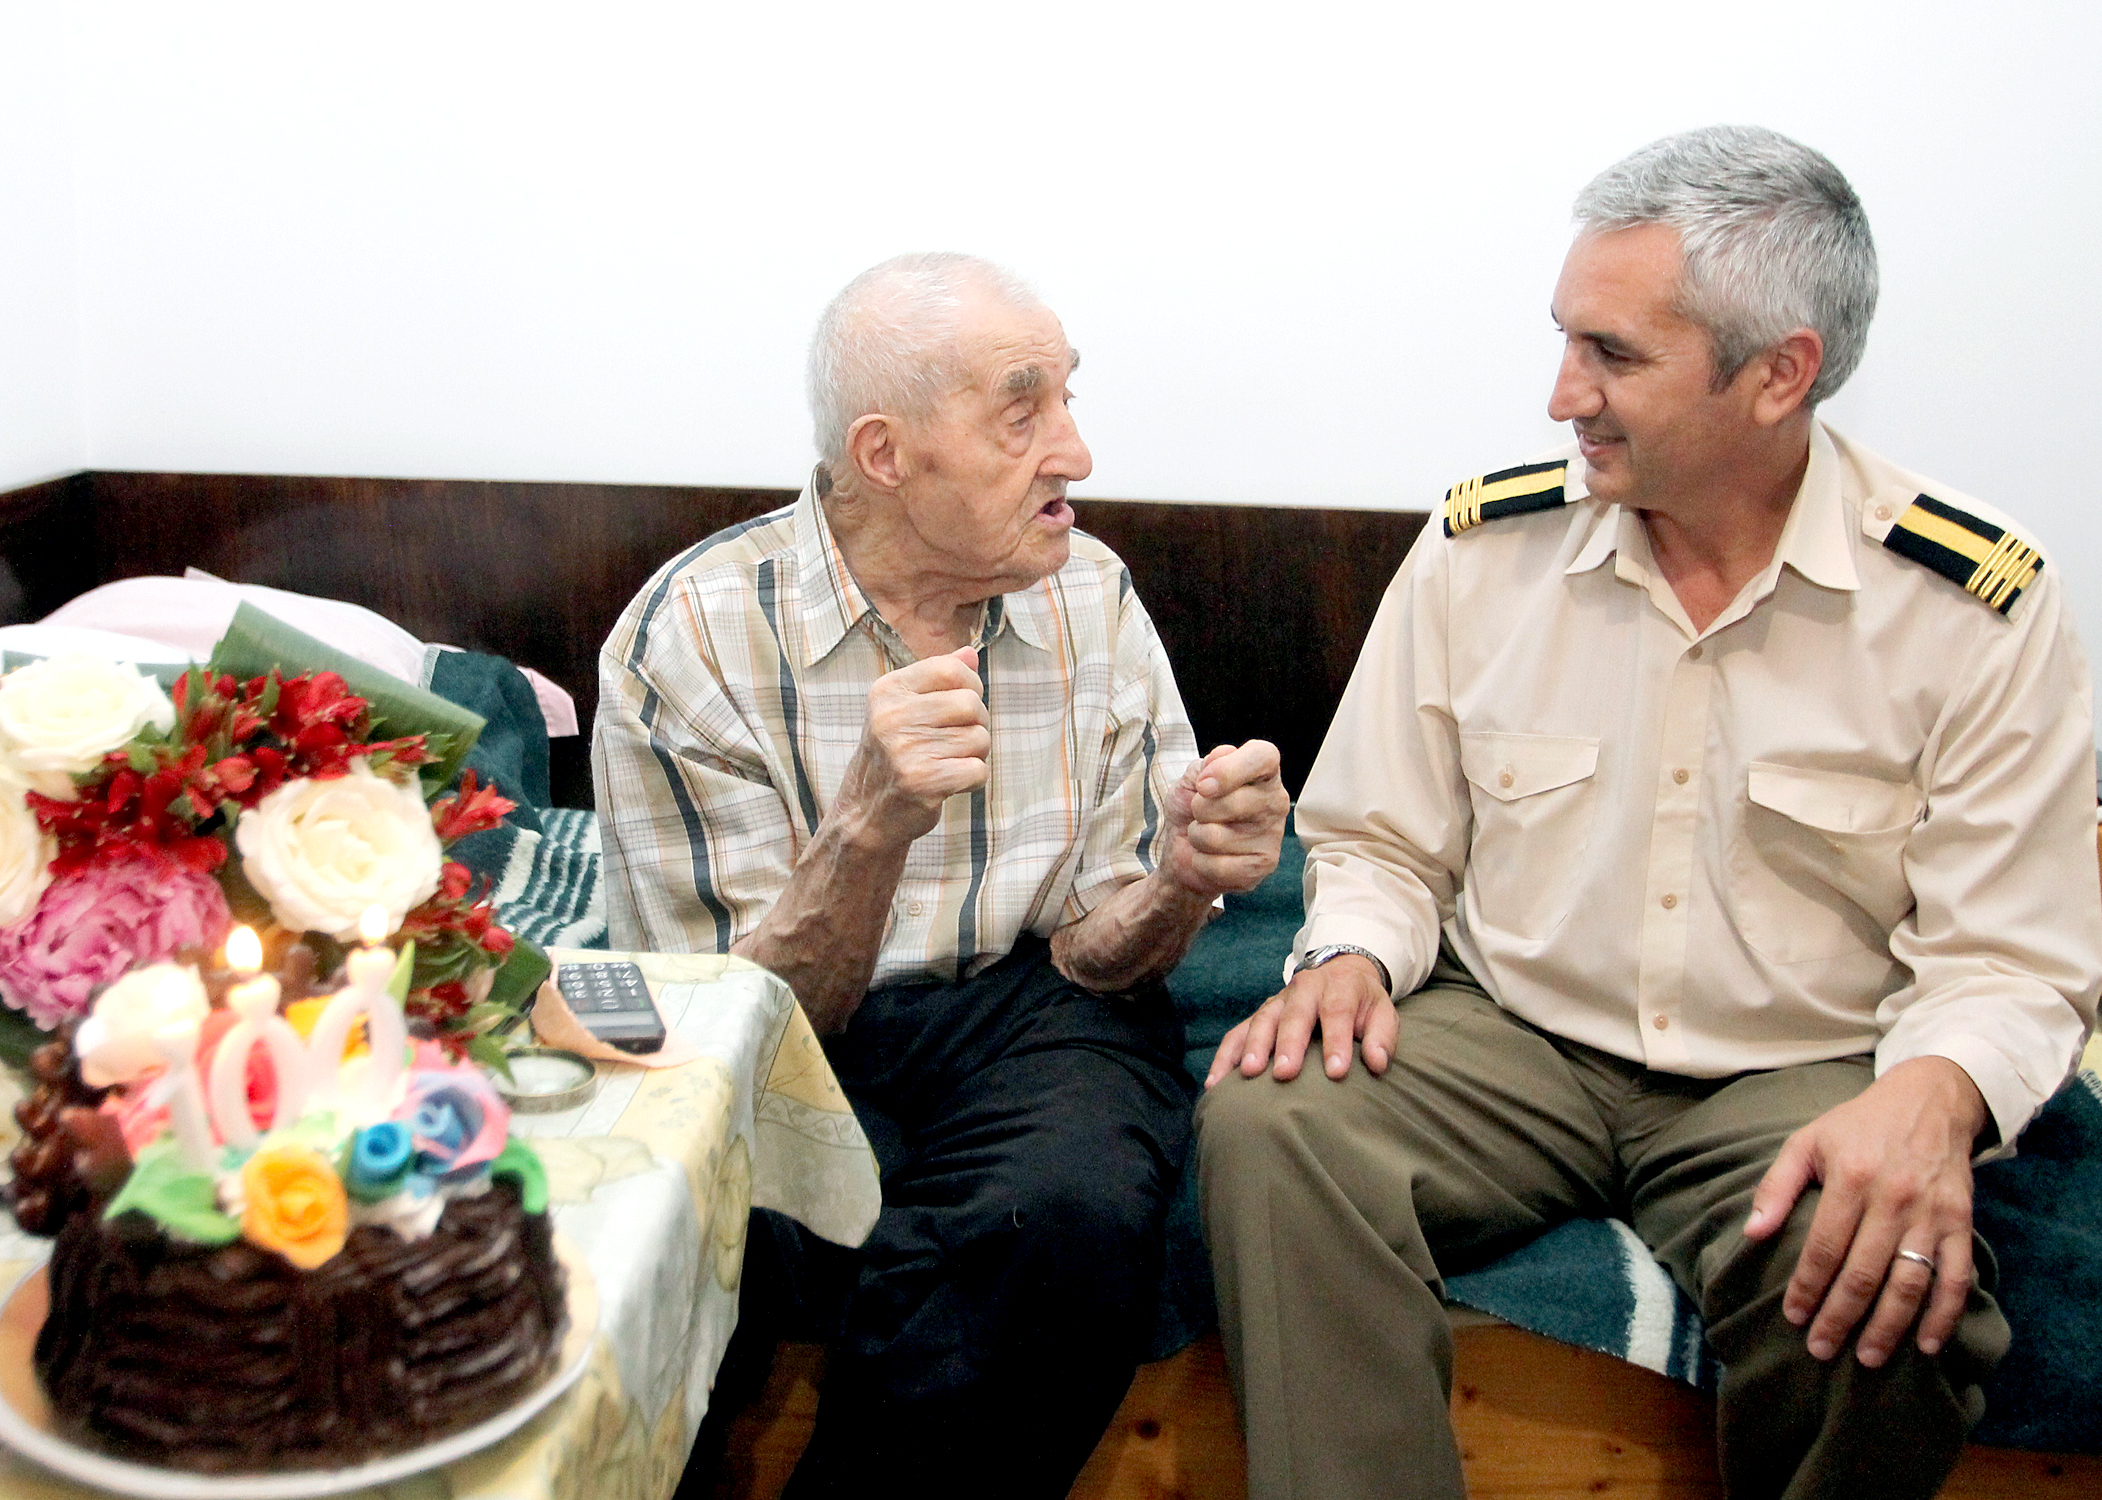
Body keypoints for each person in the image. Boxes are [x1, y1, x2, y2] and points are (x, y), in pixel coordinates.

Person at [1195, 125, 2101, 1500]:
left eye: (1612, 355)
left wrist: (1929, 1099)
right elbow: (1380, 840)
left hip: (1794, 1070)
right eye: (1566, 341)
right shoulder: (1479, 554)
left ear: (1777, 373)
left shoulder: (1973, 605)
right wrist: (1351, 956)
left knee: (1885, 1273)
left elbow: (2014, 954)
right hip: (1513, 1033)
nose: (1562, 393)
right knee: (1274, 1123)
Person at [593, 251, 1289, 1498]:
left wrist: (1182, 877)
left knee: (1064, 1211)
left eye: (1068, 398)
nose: (1074, 453)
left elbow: (1093, 952)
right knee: (691, 1220)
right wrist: (865, 826)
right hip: (774, 1025)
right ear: (883, 453)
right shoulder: (685, 640)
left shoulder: (1092, 597)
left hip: (1031, 1004)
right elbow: (729, 1028)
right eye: (1021, 411)